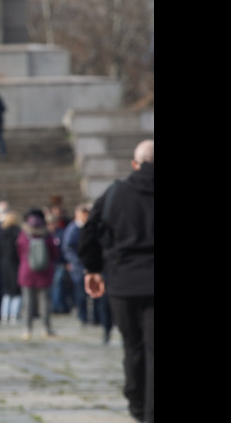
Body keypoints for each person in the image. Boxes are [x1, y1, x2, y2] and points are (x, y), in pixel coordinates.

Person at [80, 139, 154, 423]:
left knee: (132, 346)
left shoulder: (114, 194)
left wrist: (93, 269)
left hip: (123, 282)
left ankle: (137, 404)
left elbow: (90, 233)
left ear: (135, 164)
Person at [17, 208, 59, 340]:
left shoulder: (24, 235)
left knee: (28, 303)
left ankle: (27, 329)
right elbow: (55, 253)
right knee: (45, 302)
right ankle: (46, 328)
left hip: (26, 271)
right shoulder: (47, 235)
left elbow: (19, 251)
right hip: (45, 272)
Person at [61, 203, 91, 325]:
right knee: (80, 294)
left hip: (90, 264)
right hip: (79, 267)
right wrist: (77, 262)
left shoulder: (90, 227)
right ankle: (82, 316)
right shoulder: (73, 229)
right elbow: (68, 248)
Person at [0, 210, 23, 324]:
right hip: (16, 263)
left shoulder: (1, 232)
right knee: (17, 290)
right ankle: (14, 314)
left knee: (7, 291)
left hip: (4, 263)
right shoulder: (18, 232)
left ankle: (4, 314)